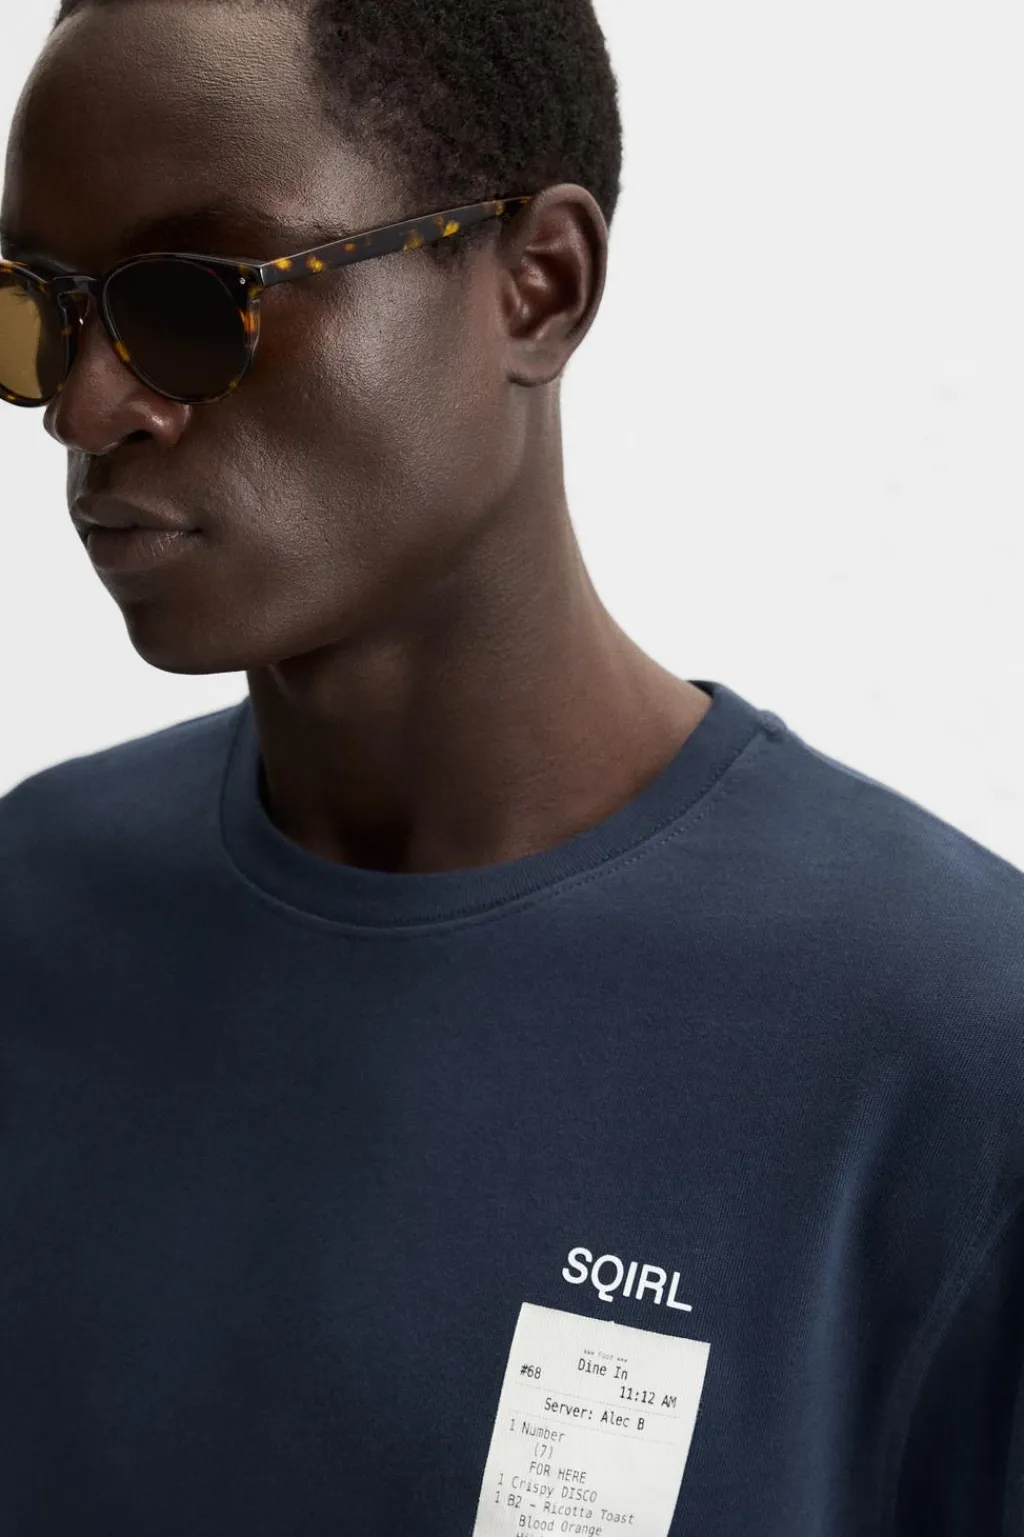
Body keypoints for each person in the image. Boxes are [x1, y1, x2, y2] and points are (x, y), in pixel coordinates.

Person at [0, 1, 1021, 1533]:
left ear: (539, 286)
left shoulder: (950, 1054)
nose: (87, 407)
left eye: (199, 299)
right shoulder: (30, 913)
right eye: (37, 309)